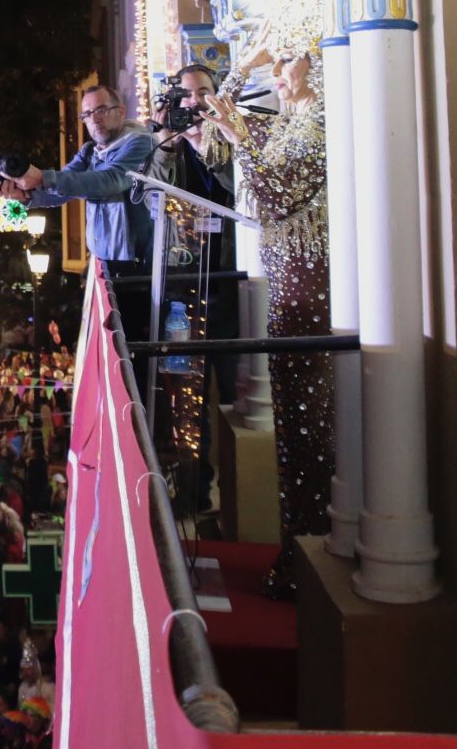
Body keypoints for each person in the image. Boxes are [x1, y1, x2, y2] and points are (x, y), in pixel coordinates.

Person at [200, 40, 332, 598]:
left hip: (313, 288)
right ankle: (294, 546)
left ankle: (313, 546)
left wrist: (241, 135)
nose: (278, 72)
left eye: (288, 58)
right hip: (288, 287)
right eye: (273, 61)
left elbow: (277, 192)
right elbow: (212, 136)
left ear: (317, 63)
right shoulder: (284, 123)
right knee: (293, 424)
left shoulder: (319, 124)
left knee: (313, 424)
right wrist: (239, 69)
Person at [144, 61, 243, 511]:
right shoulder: (166, 146)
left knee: (235, 381)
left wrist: (206, 143)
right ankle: (194, 488)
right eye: (184, 94)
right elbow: (151, 199)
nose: (194, 101)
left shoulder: (231, 136)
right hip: (182, 285)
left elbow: (236, 184)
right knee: (187, 389)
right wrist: (169, 143)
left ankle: (242, 488)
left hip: (228, 282)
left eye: (202, 91)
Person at [0, 85, 157, 343]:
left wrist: (43, 178)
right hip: (103, 265)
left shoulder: (141, 142)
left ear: (121, 111)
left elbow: (110, 181)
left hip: (135, 267)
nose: (94, 119)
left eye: (101, 110)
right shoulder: (90, 151)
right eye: (87, 114)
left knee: (131, 349)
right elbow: (62, 189)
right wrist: (24, 193)